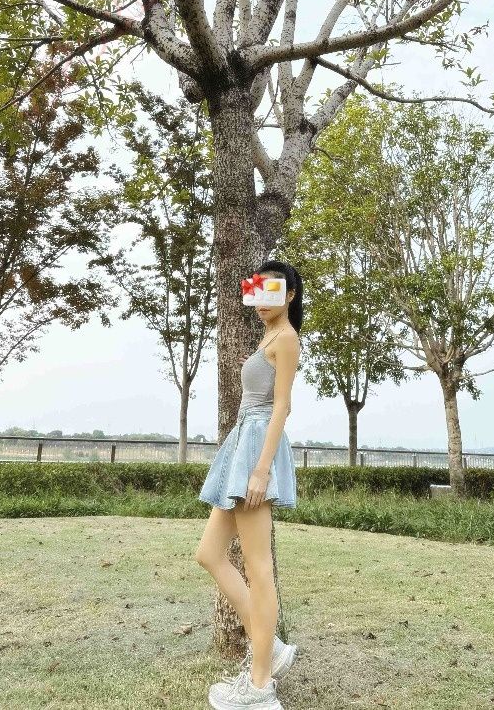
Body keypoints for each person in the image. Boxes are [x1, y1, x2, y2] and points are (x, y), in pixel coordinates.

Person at [195, 260, 303, 710]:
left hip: (258, 447)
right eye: (256, 290)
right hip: (242, 442)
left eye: (271, 291)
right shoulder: (268, 337)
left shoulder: (287, 339)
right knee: (209, 553)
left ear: (290, 295)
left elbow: (282, 408)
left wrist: (261, 470)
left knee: (259, 568)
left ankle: (260, 688)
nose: (261, 300)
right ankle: (268, 644)